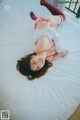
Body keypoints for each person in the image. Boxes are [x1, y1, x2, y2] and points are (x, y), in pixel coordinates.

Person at [16, 0, 69, 80]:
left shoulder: (40, 47)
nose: (39, 63)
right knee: (56, 23)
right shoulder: (49, 60)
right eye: (37, 68)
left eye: (34, 62)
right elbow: (60, 53)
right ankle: (35, 18)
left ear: (32, 57)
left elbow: (52, 32)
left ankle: (44, 3)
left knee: (63, 17)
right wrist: (63, 53)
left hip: (43, 22)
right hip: (42, 29)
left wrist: (61, 49)